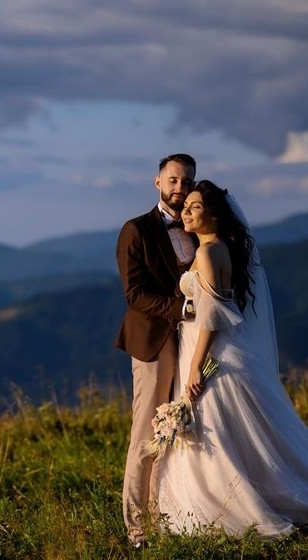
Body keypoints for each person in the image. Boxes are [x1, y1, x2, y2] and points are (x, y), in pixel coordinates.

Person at [156, 180, 308, 537]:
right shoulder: (216, 248)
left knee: (216, 429)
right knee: (235, 430)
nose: (186, 212)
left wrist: (195, 365)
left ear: (214, 215)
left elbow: (211, 316)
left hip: (211, 353)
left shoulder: (208, 253)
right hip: (222, 349)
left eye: (194, 207)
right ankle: (262, 489)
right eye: (186, 206)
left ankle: (231, 503)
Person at [115, 153, 198, 546]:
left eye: (186, 181)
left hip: (192, 342)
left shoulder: (198, 226)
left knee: (177, 430)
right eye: (173, 180)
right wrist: (181, 309)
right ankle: (136, 528)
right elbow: (134, 294)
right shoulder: (136, 230)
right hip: (153, 341)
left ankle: (165, 512)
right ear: (158, 182)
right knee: (146, 432)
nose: (180, 188)